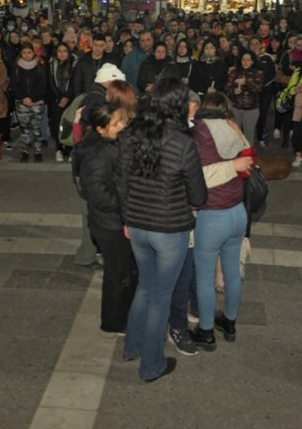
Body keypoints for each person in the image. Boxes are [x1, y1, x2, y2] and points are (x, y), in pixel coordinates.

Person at [115, 77, 207, 382]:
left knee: (145, 286)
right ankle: (152, 365)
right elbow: (198, 196)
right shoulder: (183, 143)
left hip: (138, 226)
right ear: (179, 105)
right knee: (160, 297)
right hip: (169, 230)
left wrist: (127, 218)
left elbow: (122, 182)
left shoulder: (131, 134)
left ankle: (133, 346)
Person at [190, 92, 253, 352]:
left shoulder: (199, 133)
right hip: (238, 212)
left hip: (212, 215)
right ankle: (229, 322)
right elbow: (248, 164)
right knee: (233, 273)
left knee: (204, 278)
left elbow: (196, 176)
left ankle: (205, 331)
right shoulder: (234, 128)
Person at [72, 102, 136, 334]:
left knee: (124, 271)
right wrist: (128, 210)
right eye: (116, 124)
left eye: (123, 121)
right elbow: (100, 196)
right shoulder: (95, 154)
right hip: (109, 224)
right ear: (100, 129)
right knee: (117, 274)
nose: (122, 126)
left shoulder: (109, 144)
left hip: (115, 220)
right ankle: (113, 321)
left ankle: (124, 314)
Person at [9, 42, 48, 162]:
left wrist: (32, 98)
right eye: (24, 53)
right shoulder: (16, 67)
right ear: (21, 53)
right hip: (21, 102)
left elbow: (43, 84)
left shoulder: (39, 65)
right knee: (24, 128)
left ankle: (37, 152)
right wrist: (23, 98)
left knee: (36, 128)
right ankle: (25, 152)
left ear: (33, 53)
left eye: (29, 52)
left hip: (37, 102)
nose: (26, 55)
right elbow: (14, 85)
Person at [224, 49, 263, 148]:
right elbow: (227, 88)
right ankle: (237, 159)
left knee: (248, 136)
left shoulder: (257, 73)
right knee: (235, 135)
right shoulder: (234, 72)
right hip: (235, 108)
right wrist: (234, 91)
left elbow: (258, 89)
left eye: (248, 60)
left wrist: (246, 82)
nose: (245, 62)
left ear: (252, 61)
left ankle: (249, 159)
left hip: (251, 110)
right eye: (243, 60)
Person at [48, 42, 77, 162]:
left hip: (70, 100)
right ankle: (58, 149)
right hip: (56, 100)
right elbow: (51, 83)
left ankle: (69, 149)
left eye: (64, 51)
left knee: (69, 124)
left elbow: (75, 83)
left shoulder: (74, 64)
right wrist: (59, 97)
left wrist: (66, 97)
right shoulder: (51, 64)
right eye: (59, 51)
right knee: (56, 125)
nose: (62, 53)